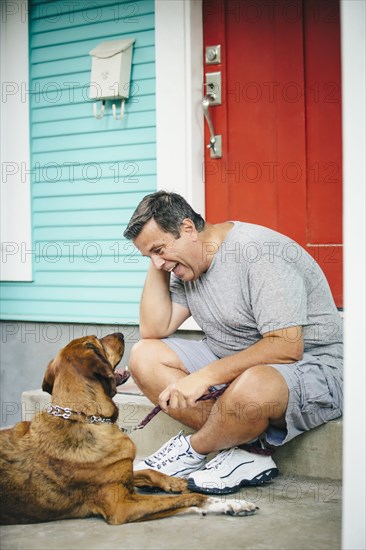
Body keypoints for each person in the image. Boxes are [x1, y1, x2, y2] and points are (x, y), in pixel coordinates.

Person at [123, 191, 343, 495]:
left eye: (159, 249)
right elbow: (154, 327)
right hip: (237, 363)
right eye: (149, 256)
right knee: (143, 356)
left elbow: (286, 347)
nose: (158, 262)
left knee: (253, 384)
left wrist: (206, 376)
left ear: (188, 229)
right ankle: (246, 448)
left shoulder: (258, 252)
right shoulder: (187, 261)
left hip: (312, 366)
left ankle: (192, 450)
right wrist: (158, 258)